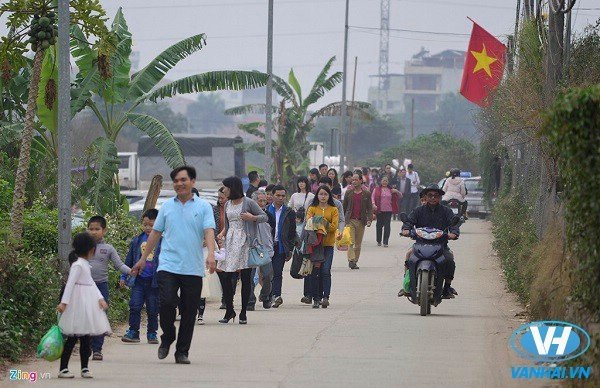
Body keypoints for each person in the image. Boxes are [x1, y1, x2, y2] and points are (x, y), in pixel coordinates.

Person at [132, 166, 216, 365]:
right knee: (167, 303)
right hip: (168, 265)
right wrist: (143, 258)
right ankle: (168, 335)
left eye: (183, 179)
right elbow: (155, 233)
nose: (179, 183)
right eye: (176, 180)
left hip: (193, 267)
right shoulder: (167, 207)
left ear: (193, 181)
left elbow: (209, 231)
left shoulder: (203, 207)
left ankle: (182, 352)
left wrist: (211, 254)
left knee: (189, 312)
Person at [57, 232, 111, 379]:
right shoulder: (78, 265)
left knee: (86, 338)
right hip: (77, 306)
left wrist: (100, 298)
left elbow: (91, 284)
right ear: (90, 250)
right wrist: (64, 303)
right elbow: (69, 285)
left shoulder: (86, 265)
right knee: (73, 338)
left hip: (87, 306)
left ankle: (85, 368)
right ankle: (63, 368)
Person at [216, 176, 268, 325]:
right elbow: (228, 223)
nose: (223, 190)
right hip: (231, 242)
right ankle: (229, 309)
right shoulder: (227, 204)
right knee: (226, 276)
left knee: (246, 278)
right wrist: (222, 234)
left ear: (232, 187)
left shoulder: (248, 202)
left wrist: (252, 217)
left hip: (245, 242)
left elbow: (264, 217)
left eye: (225, 187)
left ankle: (243, 312)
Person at [401, 184, 460, 298]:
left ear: (440, 198)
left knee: (450, 258)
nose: (433, 198)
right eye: (430, 195)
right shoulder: (418, 211)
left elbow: (454, 224)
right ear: (426, 197)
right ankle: (407, 284)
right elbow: (408, 222)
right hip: (420, 244)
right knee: (409, 255)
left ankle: (447, 287)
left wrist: (453, 233)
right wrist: (406, 229)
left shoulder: (447, 211)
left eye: (436, 196)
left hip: (441, 245)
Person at [87, 216, 131, 361]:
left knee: (100, 317)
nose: (94, 232)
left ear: (104, 230)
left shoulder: (108, 249)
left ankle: (97, 350)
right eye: (91, 229)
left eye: (97, 229)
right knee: (85, 316)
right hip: (85, 287)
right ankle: (86, 347)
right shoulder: (83, 246)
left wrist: (131, 271)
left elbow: (119, 265)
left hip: (101, 287)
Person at [120, 209, 161, 344]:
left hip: (154, 282)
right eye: (145, 224)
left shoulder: (163, 241)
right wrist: (123, 276)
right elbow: (129, 260)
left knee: (153, 308)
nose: (148, 228)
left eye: (151, 225)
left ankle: (152, 333)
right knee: (135, 306)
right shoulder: (137, 240)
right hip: (138, 280)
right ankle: (133, 331)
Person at [306, 185, 339, 308]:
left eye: (326, 194)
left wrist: (320, 222)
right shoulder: (312, 208)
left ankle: (326, 297)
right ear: (317, 195)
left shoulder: (334, 209)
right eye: (321, 194)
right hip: (315, 245)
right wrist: (323, 223)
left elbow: (334, 227)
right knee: (315, 271)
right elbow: (309, 223)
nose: (323, 196)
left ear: (329, 196)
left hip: (328, 245)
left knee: (326, 270)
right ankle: (316, 298)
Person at [267, 185, 297, 308]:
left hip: (280, 246)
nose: (280, 198)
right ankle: (267, 295)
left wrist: (290, 249)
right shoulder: (266, 210)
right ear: (272, 196)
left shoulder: (289, 212)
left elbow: (292, 232)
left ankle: (277, 296)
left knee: (277, 272)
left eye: (283, 196)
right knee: (267, 273)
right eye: (278, 195)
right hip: (267, 246)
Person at [248, 191, 275, 310]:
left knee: (268, 275)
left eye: (265, 201)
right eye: (260, 200)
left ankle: (265, 296)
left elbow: (272, 232)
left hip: (265, 250)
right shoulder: (247, 216)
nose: (263, 203)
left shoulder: (269, 216)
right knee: (249, 277)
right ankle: (250, 301)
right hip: (250, 249)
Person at [214, 187, 238, 311]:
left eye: (222, 197)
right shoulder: (214, 210)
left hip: (232, 243)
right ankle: (225, 297)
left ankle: (229, 298)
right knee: (221, 273)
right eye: (219, 198)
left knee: (231, 273)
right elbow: (210, 227)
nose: (220, 200)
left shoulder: (233, 209)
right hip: (218, 244)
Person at [342, 172, 373, 269]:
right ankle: (351, 260)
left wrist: (369, 220)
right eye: (353, 180)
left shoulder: (366, 193)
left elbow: (370, 208)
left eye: (356, 180)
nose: (354, 181)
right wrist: (343, 220)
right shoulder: (348, 192)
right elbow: (344, 207)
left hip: (361, 221)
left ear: (361, 181)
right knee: (350, 242)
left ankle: (355, 261)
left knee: (358, 244)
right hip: (350, 220)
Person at [372, 176, 400, 247]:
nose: (385, 182)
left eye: (386, 181)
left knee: (387, 226)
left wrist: (396, 191)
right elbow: (372, 197)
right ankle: (379, 240)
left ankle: (385, 241)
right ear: (381, 181)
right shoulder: (377, 189)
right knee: (379, 225)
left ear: (388, 182)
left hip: (388, 210)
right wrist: (373, 204)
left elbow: (400, 196)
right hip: (379, 210)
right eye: (383, 180)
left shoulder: (391, 190)